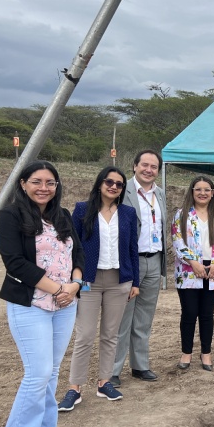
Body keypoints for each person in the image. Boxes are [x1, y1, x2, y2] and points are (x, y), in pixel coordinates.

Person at [0, 161, 84, 427]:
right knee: (38, 373)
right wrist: (59, 288)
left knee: (52, 371)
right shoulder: (10, 217)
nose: (44, 187)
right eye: (37, 181)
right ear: (23, 184)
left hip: (65, 304)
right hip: (30, 304)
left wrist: (73, 286)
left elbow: (79, 254)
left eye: (50, 182)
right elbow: (15, 263)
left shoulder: (63, 217)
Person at [58, 167, 140, 412]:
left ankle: (104, 382)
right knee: (84, 335)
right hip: (88, 281)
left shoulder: (128, 212)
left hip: (119, 280)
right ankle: (74, 387)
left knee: (110, 334)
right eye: (109, 181)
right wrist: (75, 278)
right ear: (100, 183)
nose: (114, 186)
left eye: (119, 184)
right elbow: (73, 246)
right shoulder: (83, 209)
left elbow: (132, 249)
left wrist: (134, 282)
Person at [111, 150, 166, 386]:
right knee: (121, 318)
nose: (149, 170)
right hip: (128, 262)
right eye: (145, 165)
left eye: (154, 167)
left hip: (154, 260)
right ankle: (112, 370)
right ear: (134, 166)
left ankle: (140, 366)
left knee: (144, 318)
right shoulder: (121, 191)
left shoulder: (161, 194)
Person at [171, 176, 214, 372]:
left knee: (207, 314)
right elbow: (177, 241)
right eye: (199, 189)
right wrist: (193, 263)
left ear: (212, 193)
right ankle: (186, 353)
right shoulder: (182, 215)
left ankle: (206, 353)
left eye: (207, 189)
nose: (203, 193)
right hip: (189, 271)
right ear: (192, 192)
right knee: (189, 313)